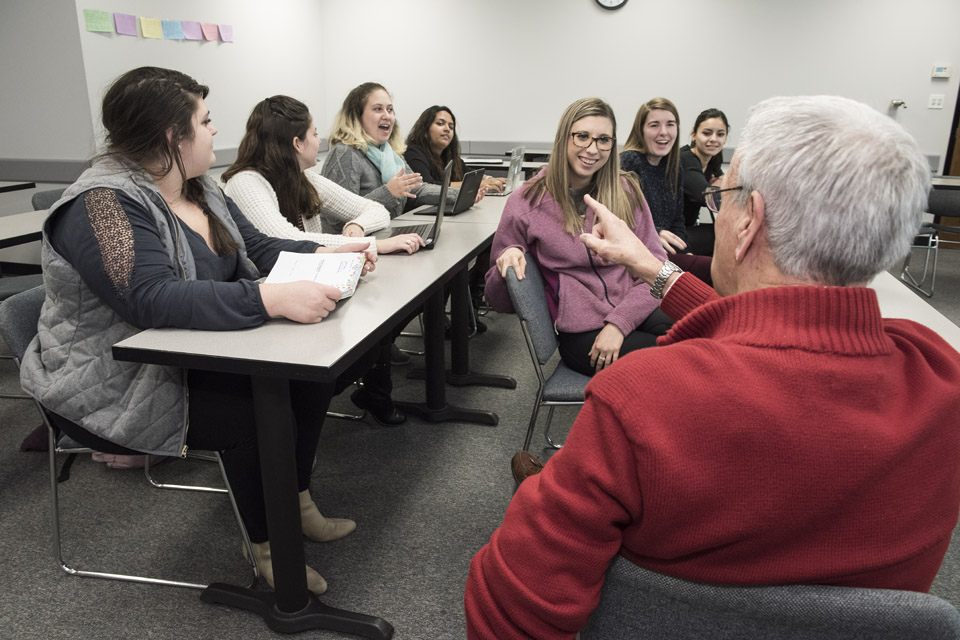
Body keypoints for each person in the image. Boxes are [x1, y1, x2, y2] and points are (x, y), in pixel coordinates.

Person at [465, 96, 960, 639]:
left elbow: (509, 611)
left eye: (722, 196)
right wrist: (652, 268)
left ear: (749, 221)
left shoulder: (641, 397)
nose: (715, 208)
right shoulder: (942, 376)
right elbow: (764, 325)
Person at [18, 67, 374, 597]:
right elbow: (151, 297)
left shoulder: (200, 184)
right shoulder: (100, 204)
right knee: (255, 406)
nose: (214, 131)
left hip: (191, 352)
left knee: (312, 379)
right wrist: (267, 298)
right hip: (114, 379)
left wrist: (331, 252)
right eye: (205, 121)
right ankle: (270, 552)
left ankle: (296, 503)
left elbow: (258, 249)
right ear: (171, 137)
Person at [222, 95, 424, 424]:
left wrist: (356, 228)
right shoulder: (246, 182)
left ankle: (331, 403)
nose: (321, 140)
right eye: (315, 133)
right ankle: (297, 415)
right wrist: (366, 244)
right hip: (269, 306)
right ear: (296, 142)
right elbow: (283, 240)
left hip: (310, 288)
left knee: (376, 330)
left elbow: (374, 209)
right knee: (366, 336)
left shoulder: (306, 178)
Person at [484, 97, 670, 377]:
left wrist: (619, 323)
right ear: (564, 138)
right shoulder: (527, 200)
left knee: (700, 340)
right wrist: (506, 263)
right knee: (673, 363)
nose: (592, 149)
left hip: (635, 307)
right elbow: (497, 301)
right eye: (582, 136)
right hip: (583, 331)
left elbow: (658, 267)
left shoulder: (626, 191)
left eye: (603, 139)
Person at [320, 82, 455, 224]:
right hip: (355, 243)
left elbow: (417, 190)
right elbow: (336, 218)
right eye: (378, 109)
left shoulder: (390, 152)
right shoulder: (345, 153)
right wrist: (388, 192)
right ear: (357, 116)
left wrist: (459, 195)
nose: (387, 116)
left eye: (390, 110)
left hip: (384, 235)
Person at [620, 98, 712, 283]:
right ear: (641, 130)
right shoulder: (629, 162)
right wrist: (655, 232)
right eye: (654, 125)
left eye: (670, 124)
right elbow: (621, 219)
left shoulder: (674, 167)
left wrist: (683, 251)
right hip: (640, 256)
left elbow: (678, 221)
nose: (664, 132)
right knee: (713, 270)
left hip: (665, 253)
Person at [404, 105, 505, 193]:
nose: (447, 129)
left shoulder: (447, 155)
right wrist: (477, 184)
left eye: (451, 127)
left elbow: (468, 173)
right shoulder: (413, 153)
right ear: (425, 129)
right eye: (440, 124)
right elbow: (428, 186)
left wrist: (491, 179)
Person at [679, 108, 730, 256]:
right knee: (727, 236)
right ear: (694, 135)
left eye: (720, 134)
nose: (714, 139)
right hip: (671, 233)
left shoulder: (713, 159)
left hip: (688, 228)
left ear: (726, 138)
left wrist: (719, 186)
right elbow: (709, 197)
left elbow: (723, 189)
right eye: (707, 133)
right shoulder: (686, 159)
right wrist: (717, 186)